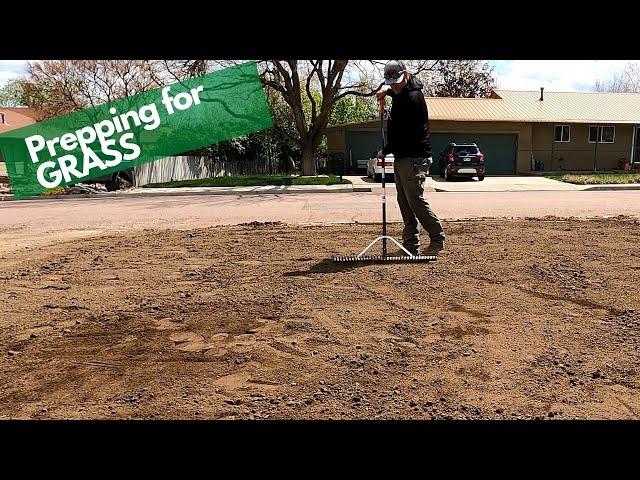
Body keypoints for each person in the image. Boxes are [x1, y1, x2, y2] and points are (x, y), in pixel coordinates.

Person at [376, 60, 445, 256]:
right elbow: (398, 93)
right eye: (391, 83)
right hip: (403, 156)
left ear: (406, 74)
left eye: (397, 82)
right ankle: (410, 245)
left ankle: (437, 238)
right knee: (403, 200)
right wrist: (386, 92)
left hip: (414, 157)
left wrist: (384, 151)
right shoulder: (402, 91)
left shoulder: (412, 99)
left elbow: (401, 136)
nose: (394, 87)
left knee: (414, 199)